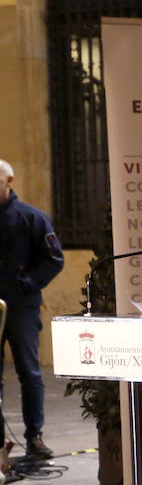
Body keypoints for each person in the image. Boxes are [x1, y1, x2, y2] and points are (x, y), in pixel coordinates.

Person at [0, 159, 64, 460]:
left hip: (21, 308)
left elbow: (53, 259)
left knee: (30, 371)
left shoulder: (31, 217)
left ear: (9, 180)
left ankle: (34, 437)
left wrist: (26, 283)